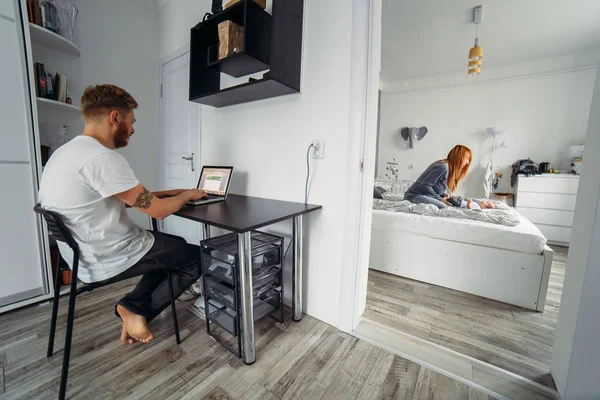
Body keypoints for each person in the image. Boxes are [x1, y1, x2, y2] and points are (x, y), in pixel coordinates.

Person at [38, 84, 209, 345]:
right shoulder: (102, 158)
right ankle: (135, 310)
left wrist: (172, 192)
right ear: (115, 117)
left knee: (176, 247)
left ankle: (132, 306)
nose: (133, 129)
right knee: (195, 258)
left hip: (79, 255)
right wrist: (187, 197)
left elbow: (117, 198)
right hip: (107, 255)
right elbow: (160, 213)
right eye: (131, 121)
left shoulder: (66, 154)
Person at [404, 145, 472, 209]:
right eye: (467, 158)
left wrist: (443, 195)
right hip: (414, 196)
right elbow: (425, 185)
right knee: (444, 207)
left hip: (424, 195)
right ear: (459, 156)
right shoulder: (443, 167)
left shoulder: (448, 168)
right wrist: (439, 199)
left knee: (449, 205)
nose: (468, 162)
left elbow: (434, 187)